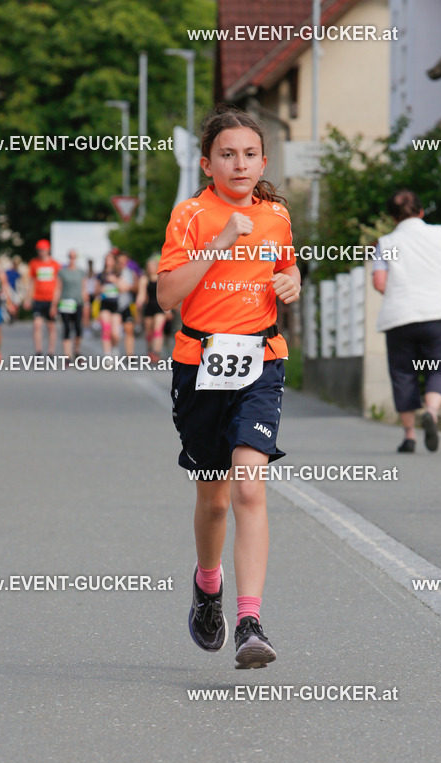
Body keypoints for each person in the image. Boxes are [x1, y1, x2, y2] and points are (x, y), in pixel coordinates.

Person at [157, 106, 300, 669]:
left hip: (262, 361)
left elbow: (285, 270)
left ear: (262, 161)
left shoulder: (278, 217)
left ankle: (249, 621)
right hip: (200, 363)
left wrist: (291, 281)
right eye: (226, 154)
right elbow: (168, 295)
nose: (239, 164)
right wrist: (219, 243)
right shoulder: (191, 216)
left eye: (248, 154)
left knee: (248, 487)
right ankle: (208, 584)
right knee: (213, 497)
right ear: (207, 162)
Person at [372, 190, 441, 453]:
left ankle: (409, 435)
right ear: (421, 211)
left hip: (400, 316)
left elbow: (379, 282)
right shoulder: (440, 235)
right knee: (439, 367)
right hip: (439, 312)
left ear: (393, 218)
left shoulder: (387, 243)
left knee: (403, 373)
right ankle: (432, 411)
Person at [24, 240, 60, 356]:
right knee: (37, 324)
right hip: (38, 298)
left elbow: (58, 284)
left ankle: (51, 352)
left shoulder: (55, 265)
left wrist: (56, 301)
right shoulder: (34, 263)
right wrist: (28, 298)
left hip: (51, 299)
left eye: (43, 250)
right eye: (39, 250)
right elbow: (31, 282)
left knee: (51, 326)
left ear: (48, 250)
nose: (41, 252)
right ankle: (38, 351)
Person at [54, 250, 87, 362]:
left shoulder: (81, 272)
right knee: (67, 327)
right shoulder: (62, 272)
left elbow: (83, 288)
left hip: (78, 303)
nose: (72, 259)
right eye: (70, 257)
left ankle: (77, 350)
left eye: (74, 257)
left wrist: (86, 304)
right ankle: (67, 355)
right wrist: (54, 305)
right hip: (65, 303)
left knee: (78, 328)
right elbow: (58, 288)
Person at [135, 255, 167, 362]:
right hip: (149, 307)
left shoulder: (161, 277)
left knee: (158, 329)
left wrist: (169, 309)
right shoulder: (144, 279)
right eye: (149, 266)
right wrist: (139, 302)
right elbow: (142, 293)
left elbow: (166, 293)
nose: (151, 268)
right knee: (149, 332)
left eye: (153, 266)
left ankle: (156, 352)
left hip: (160, 307)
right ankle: (149, 350)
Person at [96, 252, 121, 355]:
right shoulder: (100, 275)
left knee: (115, 333)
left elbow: (124, 288)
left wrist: (115, 281)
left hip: (116, 305)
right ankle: (107, 354)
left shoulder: (118, 273)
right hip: (104, 304)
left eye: (110, 259)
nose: (108, 262)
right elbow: (95, 291)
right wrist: (100, 289)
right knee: (106, 329)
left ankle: (114, 347)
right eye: (106, 259)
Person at [115, 251, 138, 359]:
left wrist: (128, 287)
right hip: (114, 304)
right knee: (115, 332)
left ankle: (130, 355)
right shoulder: (113, 273)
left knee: (129, 329)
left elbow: (135, 287)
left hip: (127, 304)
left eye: (124, 261)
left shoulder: (131, 273)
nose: (122, 263)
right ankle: (114, 350)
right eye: (120, 261)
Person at [83, 259, 97, 337]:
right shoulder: (86, 273)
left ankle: (93, 325)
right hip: (87, 294)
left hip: (93, 294)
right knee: (86, 312)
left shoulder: (94, 273)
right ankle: (86, 328)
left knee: (94, 311)